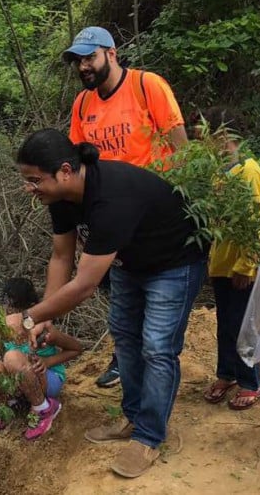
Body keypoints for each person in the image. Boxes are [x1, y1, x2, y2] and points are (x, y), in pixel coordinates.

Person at [8, 129, 207, 478]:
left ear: (65, 171)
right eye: (27, 180)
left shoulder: (111, 197)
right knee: (125, 338)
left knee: (158, 347)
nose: (29, 188)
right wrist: (45, 319)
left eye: (35, 179)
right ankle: (133, 418)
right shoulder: (60, 199)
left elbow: (84, 285)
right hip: (130, 264)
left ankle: (148, 437)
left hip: (174, 264)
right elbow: (60, 256)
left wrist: (27, 317)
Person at [62, 26, 189, 388]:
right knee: (119, 292)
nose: (83, 67)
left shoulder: (147, 86)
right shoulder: (83, 103)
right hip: (110, 213)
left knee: (152, 293)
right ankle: (124, 359)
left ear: (111, 54)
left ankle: (150, 367)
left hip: (153, 210)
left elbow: (182, 148)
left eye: (90, 57)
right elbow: (78, 159)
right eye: (78, 61)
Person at [198, 107, 260, 410]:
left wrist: (246, 265)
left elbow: (259, 222)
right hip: (221, 264)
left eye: (207, 135)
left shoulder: (249, 171)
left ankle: (250, 381)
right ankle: (226, 373)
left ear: (224, 135)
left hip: (240, 268)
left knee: (244, 325)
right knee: (225, 323)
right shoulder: (219, 173)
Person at [0, 278, 82, 440]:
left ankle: (43, 408)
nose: (10, 315)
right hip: (23, 379)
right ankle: (7, 406)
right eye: (7, 310)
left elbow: (76, 349)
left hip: (47, 379)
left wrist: (47, 362)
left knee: (12, 357)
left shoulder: (44, 330)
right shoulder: (2, 330)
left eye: (14, 310)